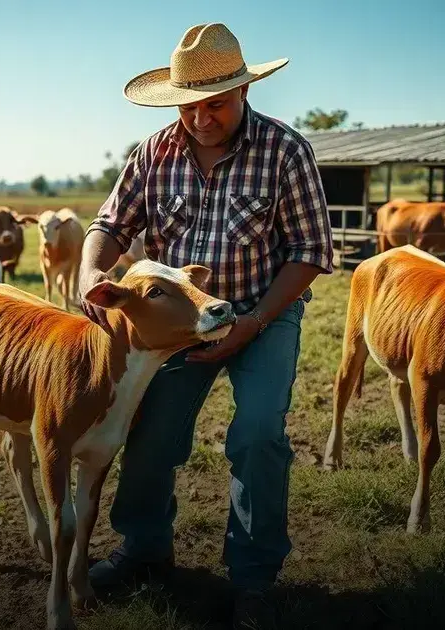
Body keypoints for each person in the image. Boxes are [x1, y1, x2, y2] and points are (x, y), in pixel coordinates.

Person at [77, 22, 335, 628]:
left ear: (243, 91)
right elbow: (110, 225)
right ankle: (143, 548)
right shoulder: (153, 153)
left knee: (256, 435)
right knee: (149, 435)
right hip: (176, 321)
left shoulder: (286, 150)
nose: (200, 118)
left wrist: (257, 319)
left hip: (261, 314)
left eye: (214, 104)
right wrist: (90, 272)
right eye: (189, 106)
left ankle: (253, 577)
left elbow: (309, 251)